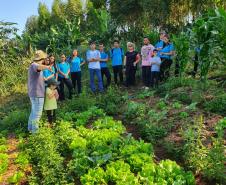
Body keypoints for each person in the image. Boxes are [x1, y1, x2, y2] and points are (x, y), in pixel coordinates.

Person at [27, 50, 52, 133]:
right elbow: (39, 68)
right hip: (37, 94)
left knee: (33, 112)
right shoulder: (35, 65)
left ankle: (30, 129)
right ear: (42, 58)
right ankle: (35, 134)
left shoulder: (33, 65)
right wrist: (48, 67)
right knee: (37, 115)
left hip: (34, 93)